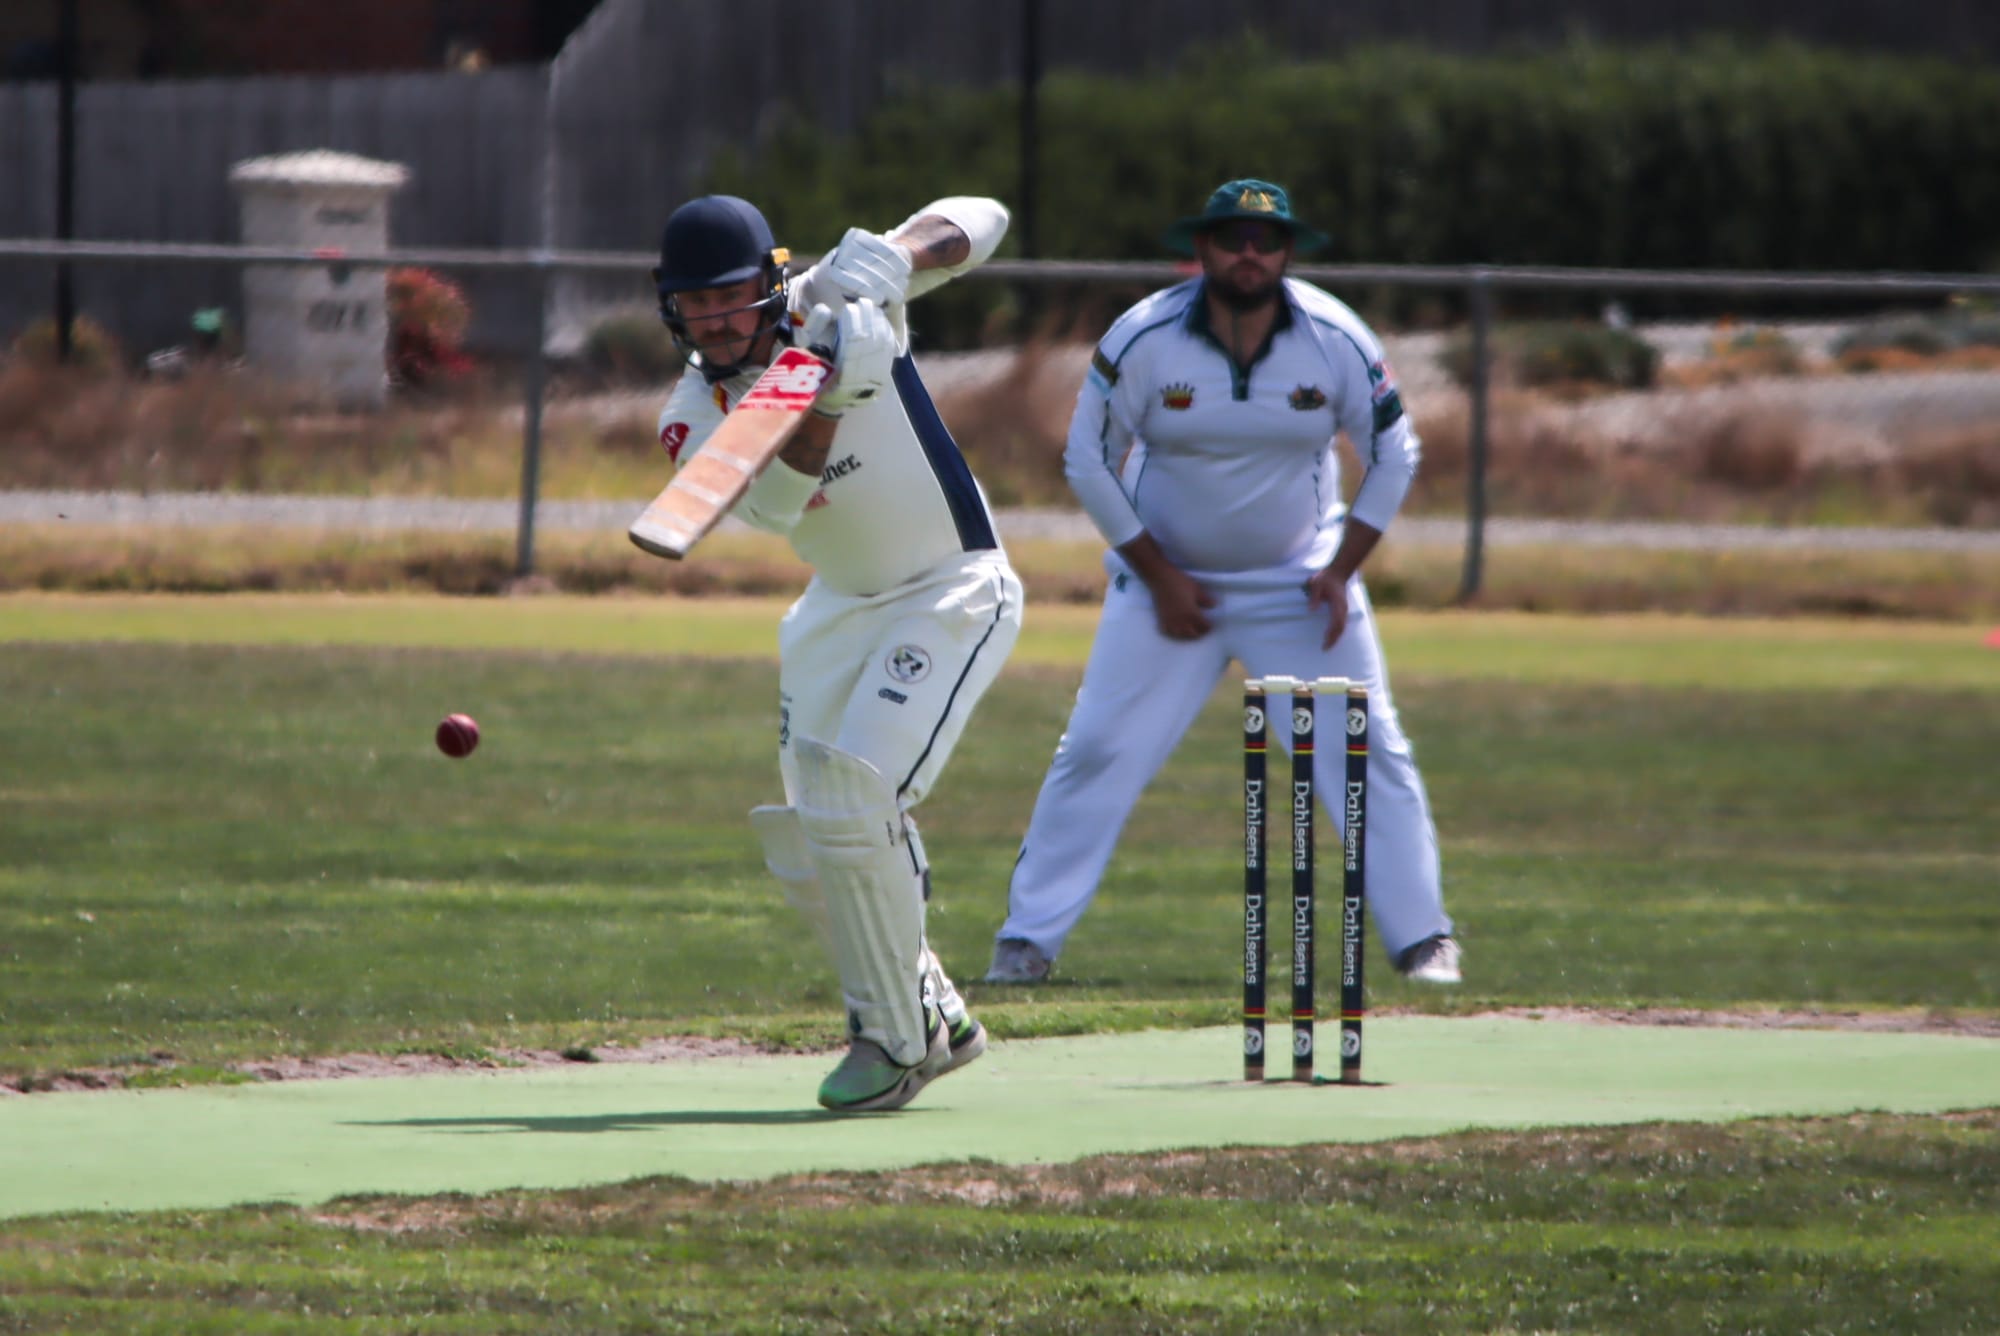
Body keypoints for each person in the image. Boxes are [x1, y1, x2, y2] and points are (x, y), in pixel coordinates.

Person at [984, 178, 1461, 988]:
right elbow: (1086, 459)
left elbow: (1395, 454)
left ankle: (1424, 941)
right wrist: (1162, 576)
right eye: (1231, 238)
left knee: (1367, 747)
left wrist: (1342, 571)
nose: (1249, 253)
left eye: (1265, 241)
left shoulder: (1336, 338)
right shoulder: (1143, 338)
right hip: (1166, 592)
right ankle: (1027, 941)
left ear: (1287, 253)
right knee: (1097, 750)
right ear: (1200, 249)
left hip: (1300, 587)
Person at [649, 193, 1022, 1111]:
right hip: (835, 609)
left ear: (772, 283)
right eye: (694, 307)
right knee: (806, 834)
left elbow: (986, 217)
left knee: (858, 793)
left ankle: (893, 1042)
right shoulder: (692, 410)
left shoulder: (834, 297)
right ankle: (932, 1007)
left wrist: (896, 254)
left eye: (731, 298)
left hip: (951, 587)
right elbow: (772, 507)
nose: (716, 323)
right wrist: (834, 396)